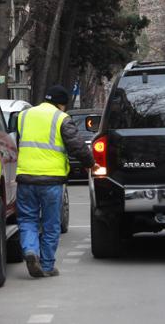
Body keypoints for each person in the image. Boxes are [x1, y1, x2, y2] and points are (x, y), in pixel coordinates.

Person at [16, 85, 97, 278]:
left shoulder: (24, 115)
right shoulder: (61, 118)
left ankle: (30, 250)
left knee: (28, 219)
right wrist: (90, 163)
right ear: (62, 104)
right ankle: (47, 264)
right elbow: (76, 145)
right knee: (51, 223)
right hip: (51, 180)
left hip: (26, 178)